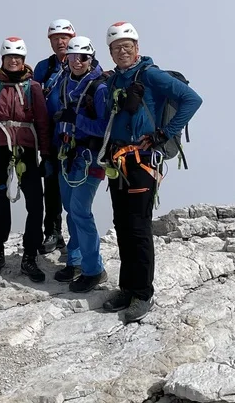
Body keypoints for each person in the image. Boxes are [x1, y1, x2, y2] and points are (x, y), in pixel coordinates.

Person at [97, 21, 202, 322]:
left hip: (143, 161)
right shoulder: (115, 80)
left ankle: (143, 293)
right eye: (117, 49)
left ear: (137, 48)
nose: (123, 52)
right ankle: (127, 289)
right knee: (122, 224)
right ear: (111, 53)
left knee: (138, 227)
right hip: (120, 162)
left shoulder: (150, 74)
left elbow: (192, 99)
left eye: (127, 47)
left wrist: (164, 133)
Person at [0, 37, 52, 282]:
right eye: (10, 57)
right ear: (3, 60)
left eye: (17, 57)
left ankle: (30, 256)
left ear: (23, 60)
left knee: (35, 204)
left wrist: (46, 155)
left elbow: (42, 123)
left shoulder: (34, 87)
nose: (14, 61)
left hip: (26, 149)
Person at [47, 36, 111, 292]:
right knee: (69, 209)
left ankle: (94, 269)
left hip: (90, 158)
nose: (76, 61)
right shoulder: (65, 81)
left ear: (91, 58)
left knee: (80, 210)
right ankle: (75, 261)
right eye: (72, 57)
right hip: (67, 154)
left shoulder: (99, 88)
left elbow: (104, 127)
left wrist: (76, 120)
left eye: (82, 57)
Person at [34, 18, 76, 254]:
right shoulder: (44, 67)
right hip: (51, 136)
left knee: (74, 187)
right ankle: (53, 232)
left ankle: (76, 237)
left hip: (76, 136)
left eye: (64, 37)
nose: (60, 42)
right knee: (51, 185)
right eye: (55, 38)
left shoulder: (83, 62)